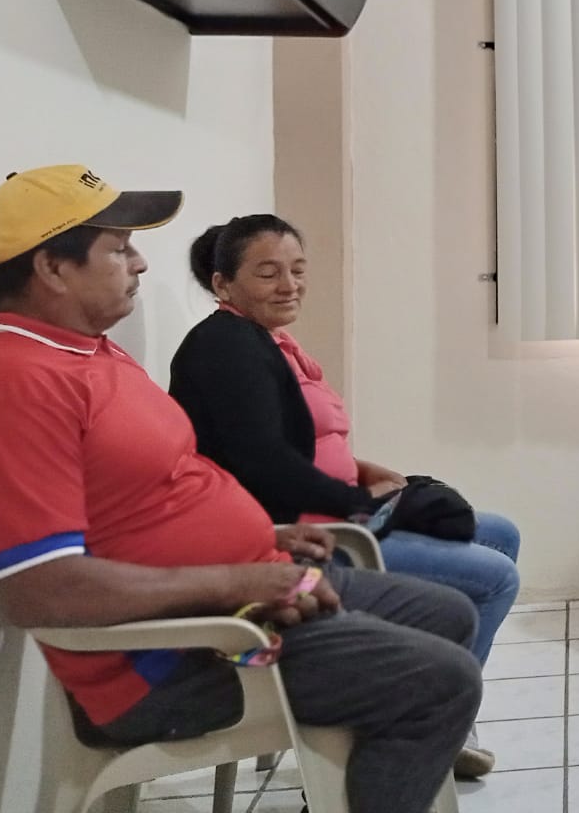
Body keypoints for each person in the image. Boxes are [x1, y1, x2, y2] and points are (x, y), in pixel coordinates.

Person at [0, 165, 480, 813]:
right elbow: (39, 590)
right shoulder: (16, 381)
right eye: (120, 248)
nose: (141, 264)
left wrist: (265, 538)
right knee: (440, 681)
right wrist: (238, 582)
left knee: (449, 613)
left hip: (237, 596)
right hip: (179, 656)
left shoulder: (90, 352)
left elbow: (144, 502)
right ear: (52, 268)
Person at [167, 214, 520, 779]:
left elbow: (301, 441)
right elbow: (265, 464)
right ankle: (436, 715)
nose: (289, 285)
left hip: (335, 510)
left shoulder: (265, 340)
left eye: (298, 270)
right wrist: (360, 503)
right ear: (223, 284)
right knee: (494, 576)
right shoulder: (226, 347)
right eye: (268, 274)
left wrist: (362, 473)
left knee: (500, 532)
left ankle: (447, 708)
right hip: (313, 533)